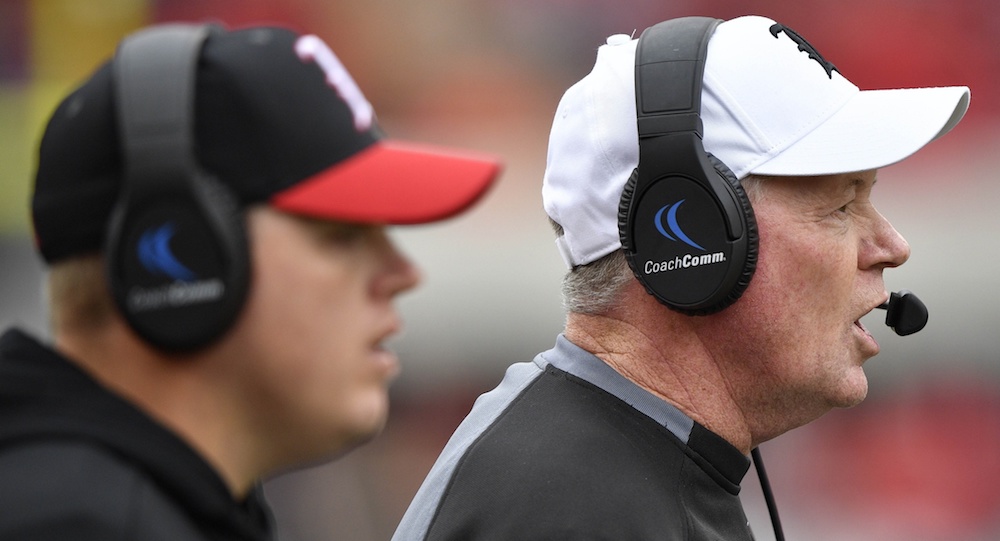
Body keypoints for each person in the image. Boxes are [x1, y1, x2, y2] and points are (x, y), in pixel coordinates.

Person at [393, 14, 969, 540]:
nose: (892, 247)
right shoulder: (576, 509)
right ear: (693, 236)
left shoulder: (603, 468)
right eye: (841, 207)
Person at [0, 23, 500, 540]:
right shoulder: (79, 525)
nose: (403, 274)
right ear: (185, 253)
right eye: (341, 236)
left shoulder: (129, 507)